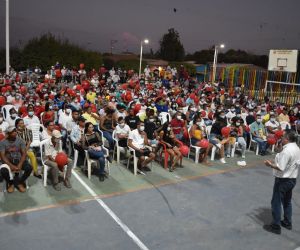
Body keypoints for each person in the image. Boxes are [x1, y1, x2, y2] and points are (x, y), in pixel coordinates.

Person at [263, 130, 300, 235]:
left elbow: (281, 167)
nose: (281, 138)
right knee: (287, 201)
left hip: (283, 180)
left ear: (287, 139)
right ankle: (287, 222)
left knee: (276, 202)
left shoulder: (287, 151)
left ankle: (276, 226)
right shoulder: (296, 148)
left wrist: (269, 164)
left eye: (283, 137)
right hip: (292, 179)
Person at [0, 126, 32, 193]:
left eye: (15, 131)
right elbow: (2, 156)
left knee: (29, 168)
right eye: (13, 131)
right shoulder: (2, 142)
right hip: (8, 162)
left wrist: (20, 164)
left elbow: (24, 153)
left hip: (19, 160)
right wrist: (11, 166)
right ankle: (11, 183)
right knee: (3, 171)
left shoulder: (20, 141)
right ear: (8, 133)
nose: (15, 132)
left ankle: (19, 182)